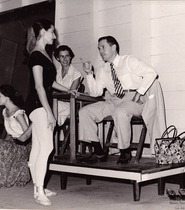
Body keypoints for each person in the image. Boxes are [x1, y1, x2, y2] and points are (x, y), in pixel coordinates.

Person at [79, 35, 163, 164]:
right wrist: (89, 73)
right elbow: (96, 92)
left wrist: (139, 92)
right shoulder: (103, 70)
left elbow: (151, 73)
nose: (101, 51)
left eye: (103, 47)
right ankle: (99, 151)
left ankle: (125, 151)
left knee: (121, 112)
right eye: (99, 49)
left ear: (113, 47)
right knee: (85, 112)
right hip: (113, 100)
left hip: (133, 101)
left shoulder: (129, 60)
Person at [25, 19, 76, 206]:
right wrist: (49, 112)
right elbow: (39, 86)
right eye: (52, 32)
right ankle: (39, 192)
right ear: (42, 33)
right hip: (38, 104)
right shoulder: (36, 55)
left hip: (38, 104)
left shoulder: (44, 54)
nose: (55, 36)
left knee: (38, 147)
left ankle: (38, 187)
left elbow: (49, 83)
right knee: (47, 147)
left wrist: (67, 90)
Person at [54, 45, 82, 126]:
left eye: (67, 56)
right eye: (62, 56)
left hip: (68, 105)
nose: (65, 59)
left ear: (70, 57)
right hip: (55, 102)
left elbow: (70, 94)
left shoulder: (76, 74)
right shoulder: (55, 72)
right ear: (58, 58)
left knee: (49, 108)